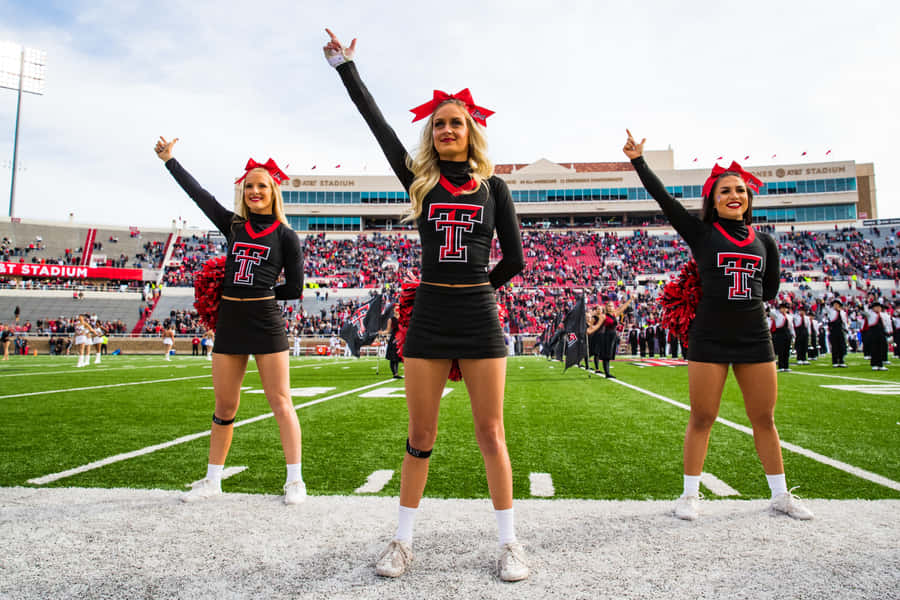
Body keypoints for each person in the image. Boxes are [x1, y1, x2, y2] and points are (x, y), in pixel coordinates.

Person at [325, 29, 527, 581]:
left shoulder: (495, 188)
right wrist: (347, 68)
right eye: (438, 124)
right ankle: (402, 540)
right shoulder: (422, 182)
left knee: (491, 431)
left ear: (471, 131)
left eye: (455, 122)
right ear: (432, 135)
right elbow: (379, 127)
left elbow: (516, 260)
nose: (446, 130)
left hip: (479, 315)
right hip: (431, 314)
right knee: (421, 436)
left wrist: (482, 288)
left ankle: (510, 543)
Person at [624, 130, 813, 521]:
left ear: (748, 198)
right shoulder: (702, 233)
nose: (734, 195)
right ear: (712, 199)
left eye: (740, 190)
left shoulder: (766, 242)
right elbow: (665, 200)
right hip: (709, 337)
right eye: (725, 190)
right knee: (703, 416)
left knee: (764, 418)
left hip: (754, 338)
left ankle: (779, 494)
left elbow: (770, 289)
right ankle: (690, 494)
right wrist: (639, 161)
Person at [155, 135, 306, 505]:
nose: (255, 191)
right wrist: (170, 160)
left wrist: (263, 295)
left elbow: (296, 288)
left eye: (262, 186)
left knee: (280, 401)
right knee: (225, 407)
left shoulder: (286, 236)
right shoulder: (234, 226)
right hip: (230, 323)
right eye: (250, 186)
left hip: (266, 322)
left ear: (273, 192)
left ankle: (295, 481)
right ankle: (213, 480)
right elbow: (199, 195)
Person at [379, 305, 403, 378]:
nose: (397, 310)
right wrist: (382, 332)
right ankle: (395, 373)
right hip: (394, 338)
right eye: (395, 309)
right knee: (393, 357)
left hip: (401, 338)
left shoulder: (403, 318)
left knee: (398, 357)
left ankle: (396, 372)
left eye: (398, 309)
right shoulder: (391, 319)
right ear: (393, 310)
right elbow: (388, 330)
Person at [826, 299, 849, 367]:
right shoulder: (831, 312)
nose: (835, 306)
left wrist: (846, 329)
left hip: (840, 330)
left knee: (841, 346)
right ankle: (835, 361)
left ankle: (841, 360)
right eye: (834, 305)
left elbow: (845, 321)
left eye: (837, 304)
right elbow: (826, 308)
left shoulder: (842, 312)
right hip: (833, 331)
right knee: (835, 346)